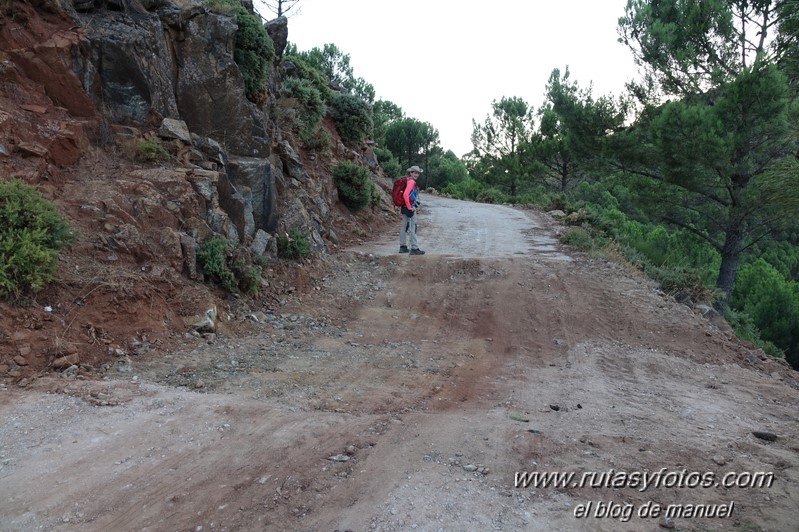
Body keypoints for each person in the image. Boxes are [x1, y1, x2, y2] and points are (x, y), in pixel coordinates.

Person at [399, 165, 425, 255]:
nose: (416, 174)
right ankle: (414, 248)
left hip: (405, 206)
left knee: (404, 226)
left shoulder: (408, 181)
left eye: (417, 173)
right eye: (414, 172)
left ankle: (402, 247)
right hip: (409, 208)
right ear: (411, 173)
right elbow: (405, 194)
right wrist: (410, 207)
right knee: (413, 227)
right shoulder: (411, 182)